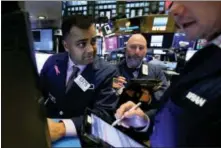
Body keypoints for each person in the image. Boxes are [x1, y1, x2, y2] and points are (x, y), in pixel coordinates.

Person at [115, 1, 221, 147]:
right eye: (170, 4)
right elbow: (173, 118)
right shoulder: (205, 57)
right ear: (125, 49)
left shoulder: (156, 70)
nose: (173, 11)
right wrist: (145, 120)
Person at [40, 14, 119, 142]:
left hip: (83, 140)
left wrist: (62, 128)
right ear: (66, 46)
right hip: (47, 135)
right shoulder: (52, 63)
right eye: (82, 44)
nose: (90, 50)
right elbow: (39, 94)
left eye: (93, 41)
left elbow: (104, 116)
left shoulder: (108, 73)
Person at [112, 34, 168, 141]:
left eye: (141, 48)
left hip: (145, 129)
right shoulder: (112, 71)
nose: (137, 51)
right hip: (118, 128)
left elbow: (164, 98)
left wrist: (143, 112)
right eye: (133, 47)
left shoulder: (156, 71)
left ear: (146, 50)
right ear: (125, 49)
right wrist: (113, 90)